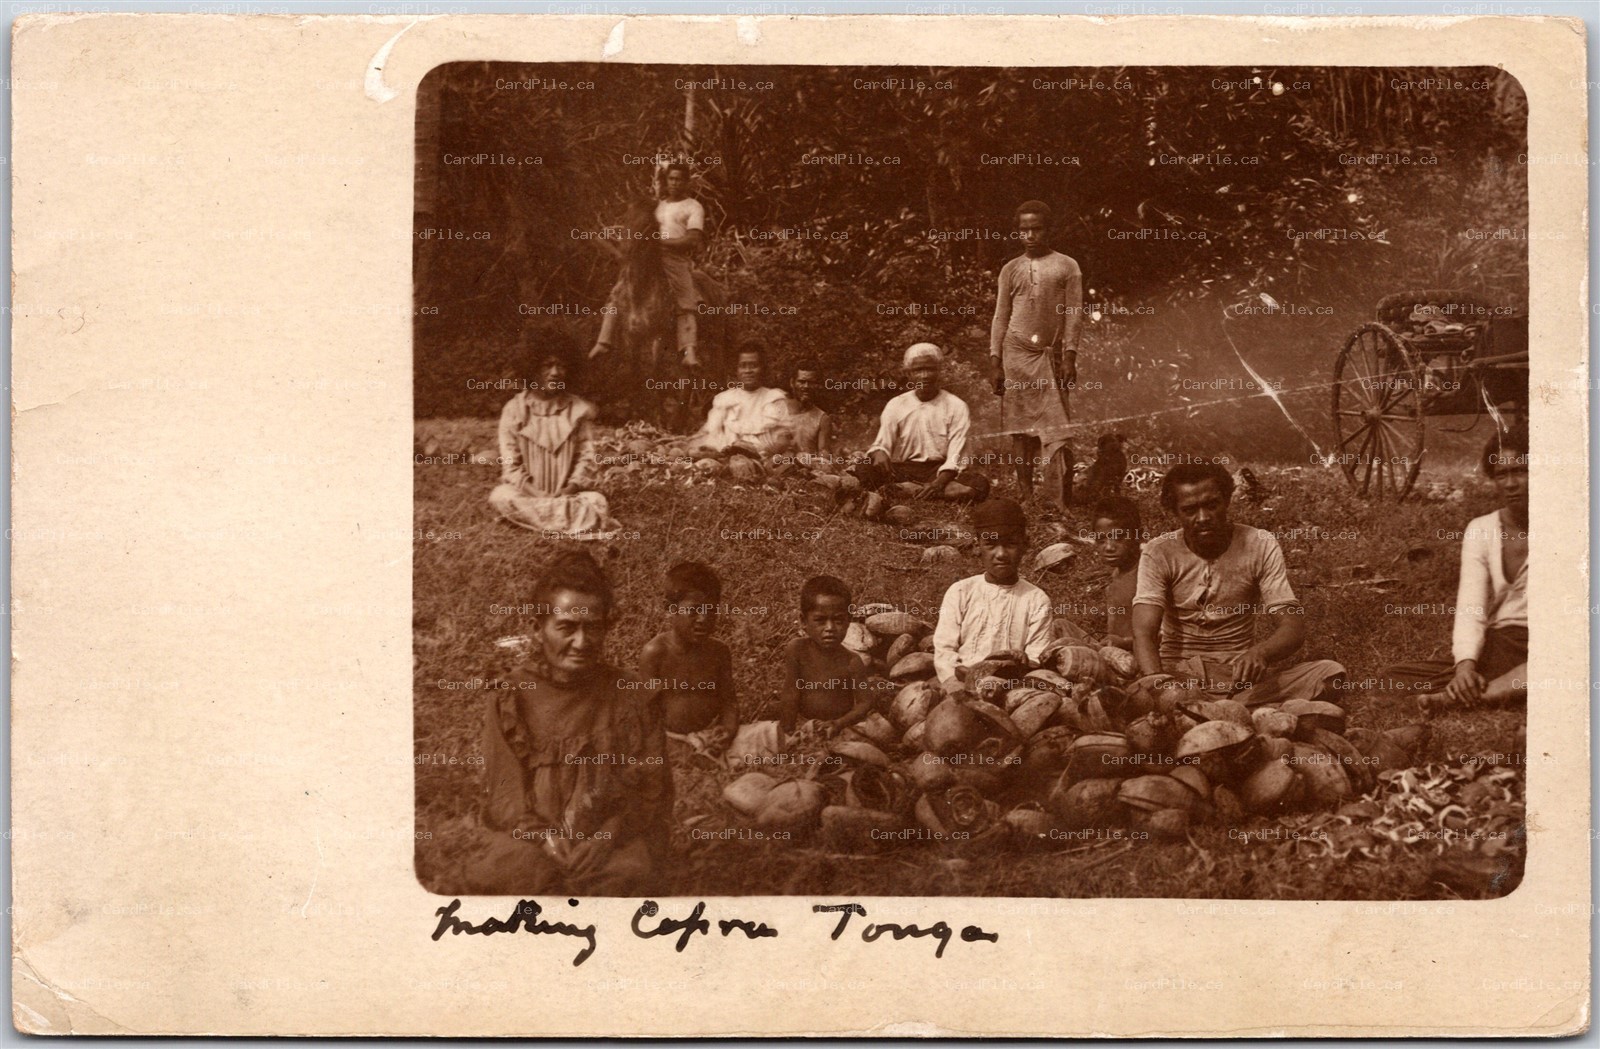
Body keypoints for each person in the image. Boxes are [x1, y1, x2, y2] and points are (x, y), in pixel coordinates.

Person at [470, 551, 672, 895]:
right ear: (539, 628)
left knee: (629, 874)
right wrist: (545, 838)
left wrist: (609, 834)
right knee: (517, 873)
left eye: (592, 628)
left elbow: (653, 789)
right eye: (566, 627)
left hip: (612, 840)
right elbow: (505, 796)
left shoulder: (634, 696)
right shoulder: (512, 696)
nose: (581, 642)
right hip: (531, 839)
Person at [1131, 463, 1344, 703]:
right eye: (1190, 510)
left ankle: (1215, 710)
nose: (1203, 518)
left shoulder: (1259, 544)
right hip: (1178, 673)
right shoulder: (1158, 552)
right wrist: (1158, 685)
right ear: (1175, 512)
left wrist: (1260, 653)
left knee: (1328, 673)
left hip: (1238, 677)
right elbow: (1143, 632)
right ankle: (1224, 710)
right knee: (1132, 683)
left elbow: (1292, 626)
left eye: (1212, 505)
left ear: (1227, 500)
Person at [1376, 424, 1529, 711]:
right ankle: (1484, 689)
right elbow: (1470, 608)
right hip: (1499, 645)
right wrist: (1465, 666)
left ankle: (1462, 699)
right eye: (1501, 475)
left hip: (1546, 643)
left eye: (1520, 470)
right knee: (1390, 680)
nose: (1510, 484)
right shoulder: (1481, 529)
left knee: (1564, 661)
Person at [989, 200, 1084, 507]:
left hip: (1049, 355)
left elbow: (1073, 312)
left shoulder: (1067, 265)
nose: (1029, 235)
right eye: (1023, 229)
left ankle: (1058, 498)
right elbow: (1000, 316)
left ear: (1048, 230)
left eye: (1036, 229)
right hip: (1015, 353)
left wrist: (1069, 355)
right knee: (1021, 432)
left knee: (1056, 428)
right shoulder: (1010, 269)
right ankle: (1026, 495)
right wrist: (995, 361)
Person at [488, 333, 618, 540]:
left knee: (596, 501)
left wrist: (569, 490)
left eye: (561, 366)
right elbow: (510, 465)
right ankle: (569, 526)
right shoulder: (514, 410)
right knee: (501, 496)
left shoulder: (577, 409)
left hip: (567, 496)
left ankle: (542, 523)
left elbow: (586, 458)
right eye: (547, 366)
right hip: (530, 495)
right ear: (531, 369)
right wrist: (538, 494)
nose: (555, 373)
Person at [853, 343, 991, 518]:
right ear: (909, 374)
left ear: (939, 371)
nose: (924, 376)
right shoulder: (896, 404)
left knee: (979, 485)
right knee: (864, 468)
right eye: (918, 370)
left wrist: (938, 484)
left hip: (938, 471)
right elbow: (882, 443)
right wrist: (880, 452)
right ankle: (914, 490)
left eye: (930, 369)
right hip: (901, 470)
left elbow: (957, 456)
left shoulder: (956, 406)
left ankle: (909, 491)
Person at [932, 498, 1055, 694]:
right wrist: (953, 683)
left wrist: (1024, 665)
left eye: (1011, 544)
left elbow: (1036, 656)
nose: (1001, 554)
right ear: (976, 545)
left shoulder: (1036, 599)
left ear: (1025, 545)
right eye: (990, 544)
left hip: (1012, 687)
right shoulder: (961, 591)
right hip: (960, 683)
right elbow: (944, 649)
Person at [591, 161, 705, 366]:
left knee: (685, 298)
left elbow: (692, 239)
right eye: (671, 178)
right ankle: (604, 340)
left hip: (674, 258)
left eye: (680, 179)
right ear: (666, 180)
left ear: (687, 182)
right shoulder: (657, 205)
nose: (675, 183)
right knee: (619, 291)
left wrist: (658, 242)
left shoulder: (693, 207)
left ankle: (689, 350)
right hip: (647, 255)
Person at [638, 562, 740, 759]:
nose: (703, 618)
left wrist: (727, 730)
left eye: (711, 610)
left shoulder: (719, 652)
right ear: (670, 609)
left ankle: (706, 752)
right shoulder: (655, 653)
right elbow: (646, 715)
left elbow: (729, 703)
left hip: (710, 734)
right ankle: (692, 755)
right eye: (694, 610)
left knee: (765, 734)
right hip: (670, 738)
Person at [778, 575, 875, 735]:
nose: (830, 628)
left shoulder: (852, 661)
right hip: (805, 724)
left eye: (838, 620)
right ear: (803, 621)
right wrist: (786, 731)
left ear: (848, 621)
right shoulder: (797, 650)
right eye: (820, 620)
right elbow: (791, 693)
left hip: (840, 727)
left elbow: (865, 702)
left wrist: (839, 724)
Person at [690, 343, 793, 457]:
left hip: (762, 459)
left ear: (762, 368)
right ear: (737, 370)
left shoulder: (774, 398)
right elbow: (709, 432)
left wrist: (760, 454)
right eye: (743, 366)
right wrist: (686, 442)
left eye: (753, 365)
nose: (748, 371)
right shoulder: (724, 399)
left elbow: (783, 438)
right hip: (721, 457)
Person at [1090, 496, 1143, 651]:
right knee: (1061, 626)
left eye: (1118, 538)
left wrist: (1124, 642)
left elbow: (1166, 633)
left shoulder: (1148, 574)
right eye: (1101, 540)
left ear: (1138, 536)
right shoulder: (1116, 574)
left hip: (1138, 655)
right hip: (1111, 650)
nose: (1109, 547)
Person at [785, 360, 834, 458]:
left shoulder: (822, 419)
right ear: (792, 383)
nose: (806, 386)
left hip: (808, 468)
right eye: (802, 382)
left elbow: (823, 452)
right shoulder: (777, 411)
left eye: (811, 382)